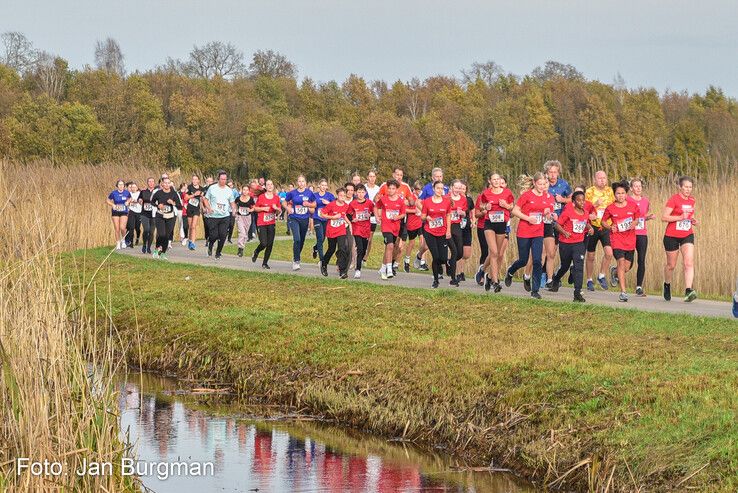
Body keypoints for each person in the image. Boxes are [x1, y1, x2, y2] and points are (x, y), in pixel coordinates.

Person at [504, 173, 552, 299]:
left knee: (537, 260)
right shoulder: (527, 195)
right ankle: (511, 271)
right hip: (524, 231)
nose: (542, 186)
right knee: (523, 260)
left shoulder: (548, 197)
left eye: (544, 184)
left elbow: (548, 210)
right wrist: (528, 218)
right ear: (535, 183)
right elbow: (514, 211)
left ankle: (535, 291)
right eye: (540, 184)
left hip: (538, 232)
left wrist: (548, 213)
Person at [548, 191, 594, 302]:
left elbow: (585, 222)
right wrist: (564, 232)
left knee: (579, 267)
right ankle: (556, 279)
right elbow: (557, 224)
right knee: (565, 266)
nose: (582, 202)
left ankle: (577, 292)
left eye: (583, 200)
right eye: (579, 200)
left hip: (579, 243)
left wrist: (590, 228)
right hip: (565, 243)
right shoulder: (568, 212)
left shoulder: (586, 213)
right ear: (573, 202)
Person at [600, 181, 641, 302]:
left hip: (630, 240)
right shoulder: (610, 208)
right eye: (618, 193)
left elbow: (637, 218)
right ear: (614, 194)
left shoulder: (633, 206)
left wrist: (634, 223)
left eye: (623, 193)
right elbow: (603, 221)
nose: (620, 195)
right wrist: (609, 227)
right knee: (621, 263)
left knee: (626, 268)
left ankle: (615, 272)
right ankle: (623, 292)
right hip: (617, 239)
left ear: (626, 194)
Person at [662, 176, 698, 302]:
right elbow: (664, 217)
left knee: (689, 262)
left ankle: (688, 290)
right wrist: (680, 217)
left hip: (687, 234)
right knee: (671, 265)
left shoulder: (692, 200)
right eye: (686, 187)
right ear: (680, 187)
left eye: (690, 187)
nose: (688, 189)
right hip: (671, 236)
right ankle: (667, 284)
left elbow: (690, 215)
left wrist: (692, 220)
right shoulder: (674, 200)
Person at [478, 173, 514, 292]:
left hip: (502, 224)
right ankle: (495, 281)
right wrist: (485, 207)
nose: (497, 181)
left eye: (498, 179)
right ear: (490, 181)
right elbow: (481, 206)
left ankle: (485, 273)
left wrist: (506, 205)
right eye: (494, 179)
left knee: (498, 254)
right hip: (489, 223)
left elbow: (512, 207)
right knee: (493, 252)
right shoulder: (486, 193)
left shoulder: (507, 192)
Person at [375, 168, 414, 275]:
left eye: (401, 175)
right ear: (393, 175)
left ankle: (389, 265)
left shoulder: (406, 186)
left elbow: (411, 201)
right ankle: (386, 267)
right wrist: (381, 201)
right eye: (397, 174)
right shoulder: (386, 185)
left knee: (399, 246)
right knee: (390, 244)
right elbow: (376, 199)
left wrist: (407, 201)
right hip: (388, 221)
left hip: (401, 220)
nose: (399, 177)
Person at [541, 160, 571, 287]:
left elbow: (572, 200)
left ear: (558, 173)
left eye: (555, 172)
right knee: (544, 250)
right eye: (550, 172)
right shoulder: (543, 184)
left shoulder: (564, 184)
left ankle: (548, 274)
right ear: (546, 173)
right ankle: (542, 276)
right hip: (546, 221)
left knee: (553, 251)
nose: (553, 175)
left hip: (560, 222)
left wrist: (562, 199)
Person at [585, 170, 616, 291]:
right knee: (591, 256)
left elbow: (614, 206)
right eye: (599, 178)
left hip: (605, 226)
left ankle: (601, 275)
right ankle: (589, 280)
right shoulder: (589, 192)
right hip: (593, 226)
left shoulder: (610, 191)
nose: (602, 180)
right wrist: (595, 204)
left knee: (609, 253)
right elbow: (584, 208)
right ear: (594, 179)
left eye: (604, 178)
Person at [420, 181, 453, 288]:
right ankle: (435, 280)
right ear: (433, 189)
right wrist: (427, 218)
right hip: (429, 231)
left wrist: (448, 230)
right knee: (436, 256)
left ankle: (446, 263)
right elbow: (422, 216)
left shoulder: (446, 202)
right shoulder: (427, 202)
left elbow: (448, 216)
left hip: (442, 231)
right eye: (438, 188)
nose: (440, 190)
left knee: (443, 258)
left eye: (441, 188)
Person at [282, 175, 317, 270]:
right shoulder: (292, 193)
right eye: (299, 181)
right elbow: (284, 202)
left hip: (305, 219)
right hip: (294, 218)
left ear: (305, 183)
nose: (301, 183)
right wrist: (288, 208)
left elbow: (314, 204)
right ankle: (296, 260)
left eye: (303, 181)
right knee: (297, 239)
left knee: (301, 241)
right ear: (297, 182)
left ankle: (295, 256)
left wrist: (309, 204)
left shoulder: (309, 193)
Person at [627, 179, 655, 296]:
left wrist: (648, 217)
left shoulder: (645, 201)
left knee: (641, 260)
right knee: (629, 261)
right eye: (636, 186)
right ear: (631, 188)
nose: (638, 188)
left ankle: (639, 287)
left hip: (642, 233)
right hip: (630, 233)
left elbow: (641, 216)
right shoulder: (627, 199)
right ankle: (617, 272)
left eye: (640, 186)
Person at [202, 171, 237, 259]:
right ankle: (210, 245)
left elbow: (232, 202)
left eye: (225, 179)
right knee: (213, 236)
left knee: (223, 235)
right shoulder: (212, 188)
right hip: (213, 216)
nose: (223, 181)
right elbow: (205, 199)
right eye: (222, 179)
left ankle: (218, 252)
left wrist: (233, 210)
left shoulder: (229, 190)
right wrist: (209, 208)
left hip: (225, 216)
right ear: (218, 179)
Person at [319, 188, 352, 278]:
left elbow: (343, 214)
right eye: (341, 195)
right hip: (331, 230)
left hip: (341, 230)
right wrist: (332, 217)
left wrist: (348, 222)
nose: (342, 197)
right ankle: (324, 264)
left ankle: (342, 272)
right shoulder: (331, 205)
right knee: (331, 249)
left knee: (342, 249)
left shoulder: (346, 205)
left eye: (344, 195)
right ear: (337, 196)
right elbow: (322, 214)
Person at [150, 177, 183, 260]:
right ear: (162, 184)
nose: (167, 184)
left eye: (169, 183)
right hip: (160, 216)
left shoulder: (174, 193)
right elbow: (152, 202)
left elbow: (180, 206)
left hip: (171, 216)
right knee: (162, 234)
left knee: (167, 236)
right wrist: (158, 205)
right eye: (165, 183)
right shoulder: (158, 193)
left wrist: (173, 203)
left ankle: (163, 253)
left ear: (170, 184)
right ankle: (157, 249)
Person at [251, 180, 281, 269]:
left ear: (273, 186)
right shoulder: (261, 197)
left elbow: (279, 212)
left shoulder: (276, 198)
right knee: (263, 243)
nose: (270, 186)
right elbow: (255, 208)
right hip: (262, 223)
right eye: (268, 184)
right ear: (266, 187)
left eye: (271, 184)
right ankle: (256, 251)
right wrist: (264, 208)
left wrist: (277, 209)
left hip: (271, 223)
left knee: (270, 244)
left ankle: (265, 263)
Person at [349, 184, 374, 279]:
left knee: (363, 250)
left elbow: (374, 212)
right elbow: (348, 215)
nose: (360, 194)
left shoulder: (369, 203)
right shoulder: (353, 204)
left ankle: (361, 261)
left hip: (366, 229)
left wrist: (370, 215)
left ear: (365, 193)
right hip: (357, 229)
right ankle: (358, 270)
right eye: (358, 192)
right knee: (359, 249)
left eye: (362, 192)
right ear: (355, 193)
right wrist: (352, 219)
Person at [447, 180, 467, 285]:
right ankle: (453, 278)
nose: (457, 190)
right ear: (451, 187)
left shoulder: (463, 199)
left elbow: (464, 214)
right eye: (456, 187)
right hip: (448, 226)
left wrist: (462, 213)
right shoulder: (446, 198)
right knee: (454, 251)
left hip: (457, 226)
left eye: (459, 188)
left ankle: (449, 262)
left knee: (460, 252)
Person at [311, 179, 334, 268]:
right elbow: (311, 205)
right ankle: (321, 260)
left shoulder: (330, 196)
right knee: (320, 238)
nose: (324, 187)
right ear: (319, 186)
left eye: (325, 185)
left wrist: (328, 203)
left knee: (323, 238)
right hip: (317, 218)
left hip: (326, 220)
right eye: (322, 185)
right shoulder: (314, 195)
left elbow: (335, 206)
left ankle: (315, 248)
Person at [402, 181, 424, 273]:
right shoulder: (410, 198)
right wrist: (414, 211)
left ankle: (421, 261)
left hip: (420, 222)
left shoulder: (421, 198)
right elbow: (403, 209)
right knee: (411, 243)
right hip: (411, 223)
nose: (418, 192)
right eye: (417, 190)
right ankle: (407, 261)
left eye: (420, 190)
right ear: (413, 190)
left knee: (422, 240)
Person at [456, 181, 475, 282]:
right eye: (460, 188)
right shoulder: (454, 199)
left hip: (466, 226)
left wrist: (473, 221)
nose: (462, 191)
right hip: (457, 226)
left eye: (464, 189)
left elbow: (472, 210)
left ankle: (460, 271)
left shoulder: (469, 200)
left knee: (466, 254)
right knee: (459, 251)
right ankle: (459, 273)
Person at [107, 179, 131, 250]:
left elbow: (130, 198)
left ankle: (123, 241)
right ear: (117, 185)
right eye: (119, 184)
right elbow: (107, 200)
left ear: (124, 186)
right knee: (117, 228)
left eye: (122, 185)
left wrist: (128, 202)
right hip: (115, 212)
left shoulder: (127, 193)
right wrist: (112, 205)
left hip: (124, 211)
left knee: (122, 228)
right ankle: (118, 243)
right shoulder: (113, 193)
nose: (121, 186)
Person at [364, 169, 381, 262]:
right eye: (370, 176)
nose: (372, 178)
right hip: (364, 215)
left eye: (374, 176)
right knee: (363, 238)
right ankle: (360, 255)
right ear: (367, 177)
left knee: (369, 239)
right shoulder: (363, 188)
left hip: (373, 217)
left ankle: (365, 258)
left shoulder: (378, 189)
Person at [234, 185, 255, 257]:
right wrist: (235, 210)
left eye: (246, 190)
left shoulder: (251, 199)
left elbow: (254, 207)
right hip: (240, 217)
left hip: (248, 217)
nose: (245, 191)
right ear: (241, 190)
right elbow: (234, 204)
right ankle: (240, 247)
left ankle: (242, 247)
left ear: (249, 191)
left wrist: (251, 210)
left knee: (245, 233)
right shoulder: (238, 198)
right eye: (244, 189)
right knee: (242, 232)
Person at [184, 175, 204, 251]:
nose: (194, 181)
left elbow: (204, 198)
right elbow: (186, 198)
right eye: (193, 179)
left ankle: (193, 243)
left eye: (196, 179)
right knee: (190, 227)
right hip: (189, 209)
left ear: (198, 180)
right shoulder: (189, 187)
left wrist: (202, 195)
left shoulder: (201, 188)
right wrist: (194, 195)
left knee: (193, 226)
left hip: (196, 209)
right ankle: (190, 240)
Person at [138, 177, 157, 254]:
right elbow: (139, 199)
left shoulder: (157, 192)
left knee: (152, 232)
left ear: (154, 183)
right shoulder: (143, 192)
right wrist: (140, 200)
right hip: (144, 214)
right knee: (146, 229)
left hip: (154, 215)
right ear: (147, 183)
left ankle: (149, 247)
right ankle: (144, 245)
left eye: (152, 181)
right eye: (149, 181)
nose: (151, 183)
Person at [125, 182, 142, 248]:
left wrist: (137, 201)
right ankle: (131, 242)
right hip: (131, 211)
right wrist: (129, 201)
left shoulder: (140, 193)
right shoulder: (129, 194)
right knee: (131, 227)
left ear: (137, 188)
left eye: (135, 187)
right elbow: (126, 202)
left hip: (139, 212)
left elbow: (142, 201)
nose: (133, 188)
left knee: (137, 228)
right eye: (132, 187)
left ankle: (137, 237)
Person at [226, 179, 239, 243]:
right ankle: (224, 235)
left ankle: (229, 238)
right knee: (226, 224)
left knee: (231, 224)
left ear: (233, 185)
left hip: (232, 210)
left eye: (231, 185)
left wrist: (236, 210)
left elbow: (237, 201)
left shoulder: (235, 191)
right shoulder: (224, 191)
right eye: (228, 186)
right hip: (225, 210)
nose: (230, 187)